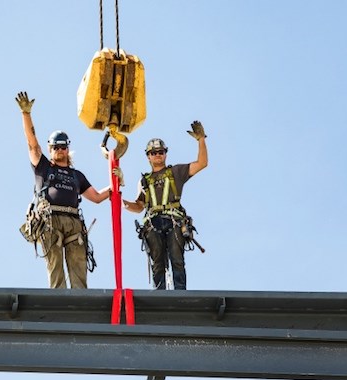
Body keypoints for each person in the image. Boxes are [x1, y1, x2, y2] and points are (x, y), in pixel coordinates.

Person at [15, 91, 123, 289]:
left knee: (78, 269)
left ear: (67, 149)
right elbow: (32, 143)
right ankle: (59, 304)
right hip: (50, 221)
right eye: (56, 147)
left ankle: (80, 305)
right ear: (50, 149)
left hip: (73, 222)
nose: (59, 150)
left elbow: (98, 197)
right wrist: (26, 114)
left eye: (62, 147)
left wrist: (116, 183)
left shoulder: (76, 176)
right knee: (55, 268)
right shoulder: (44, 167)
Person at [122, 121, 208, 290]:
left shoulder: (176, 172)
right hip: (153, 223)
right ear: (148, 156)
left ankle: (180, 294)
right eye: (153, 153)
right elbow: (139, 206)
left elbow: (202, 163)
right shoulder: (144, 180)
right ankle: (159, 295)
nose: (157, 155)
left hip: (174, 220)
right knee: (157, 261)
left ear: (165, 154)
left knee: (177, 259)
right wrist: (120, 201)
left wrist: (201, 140)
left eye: (160, 152)